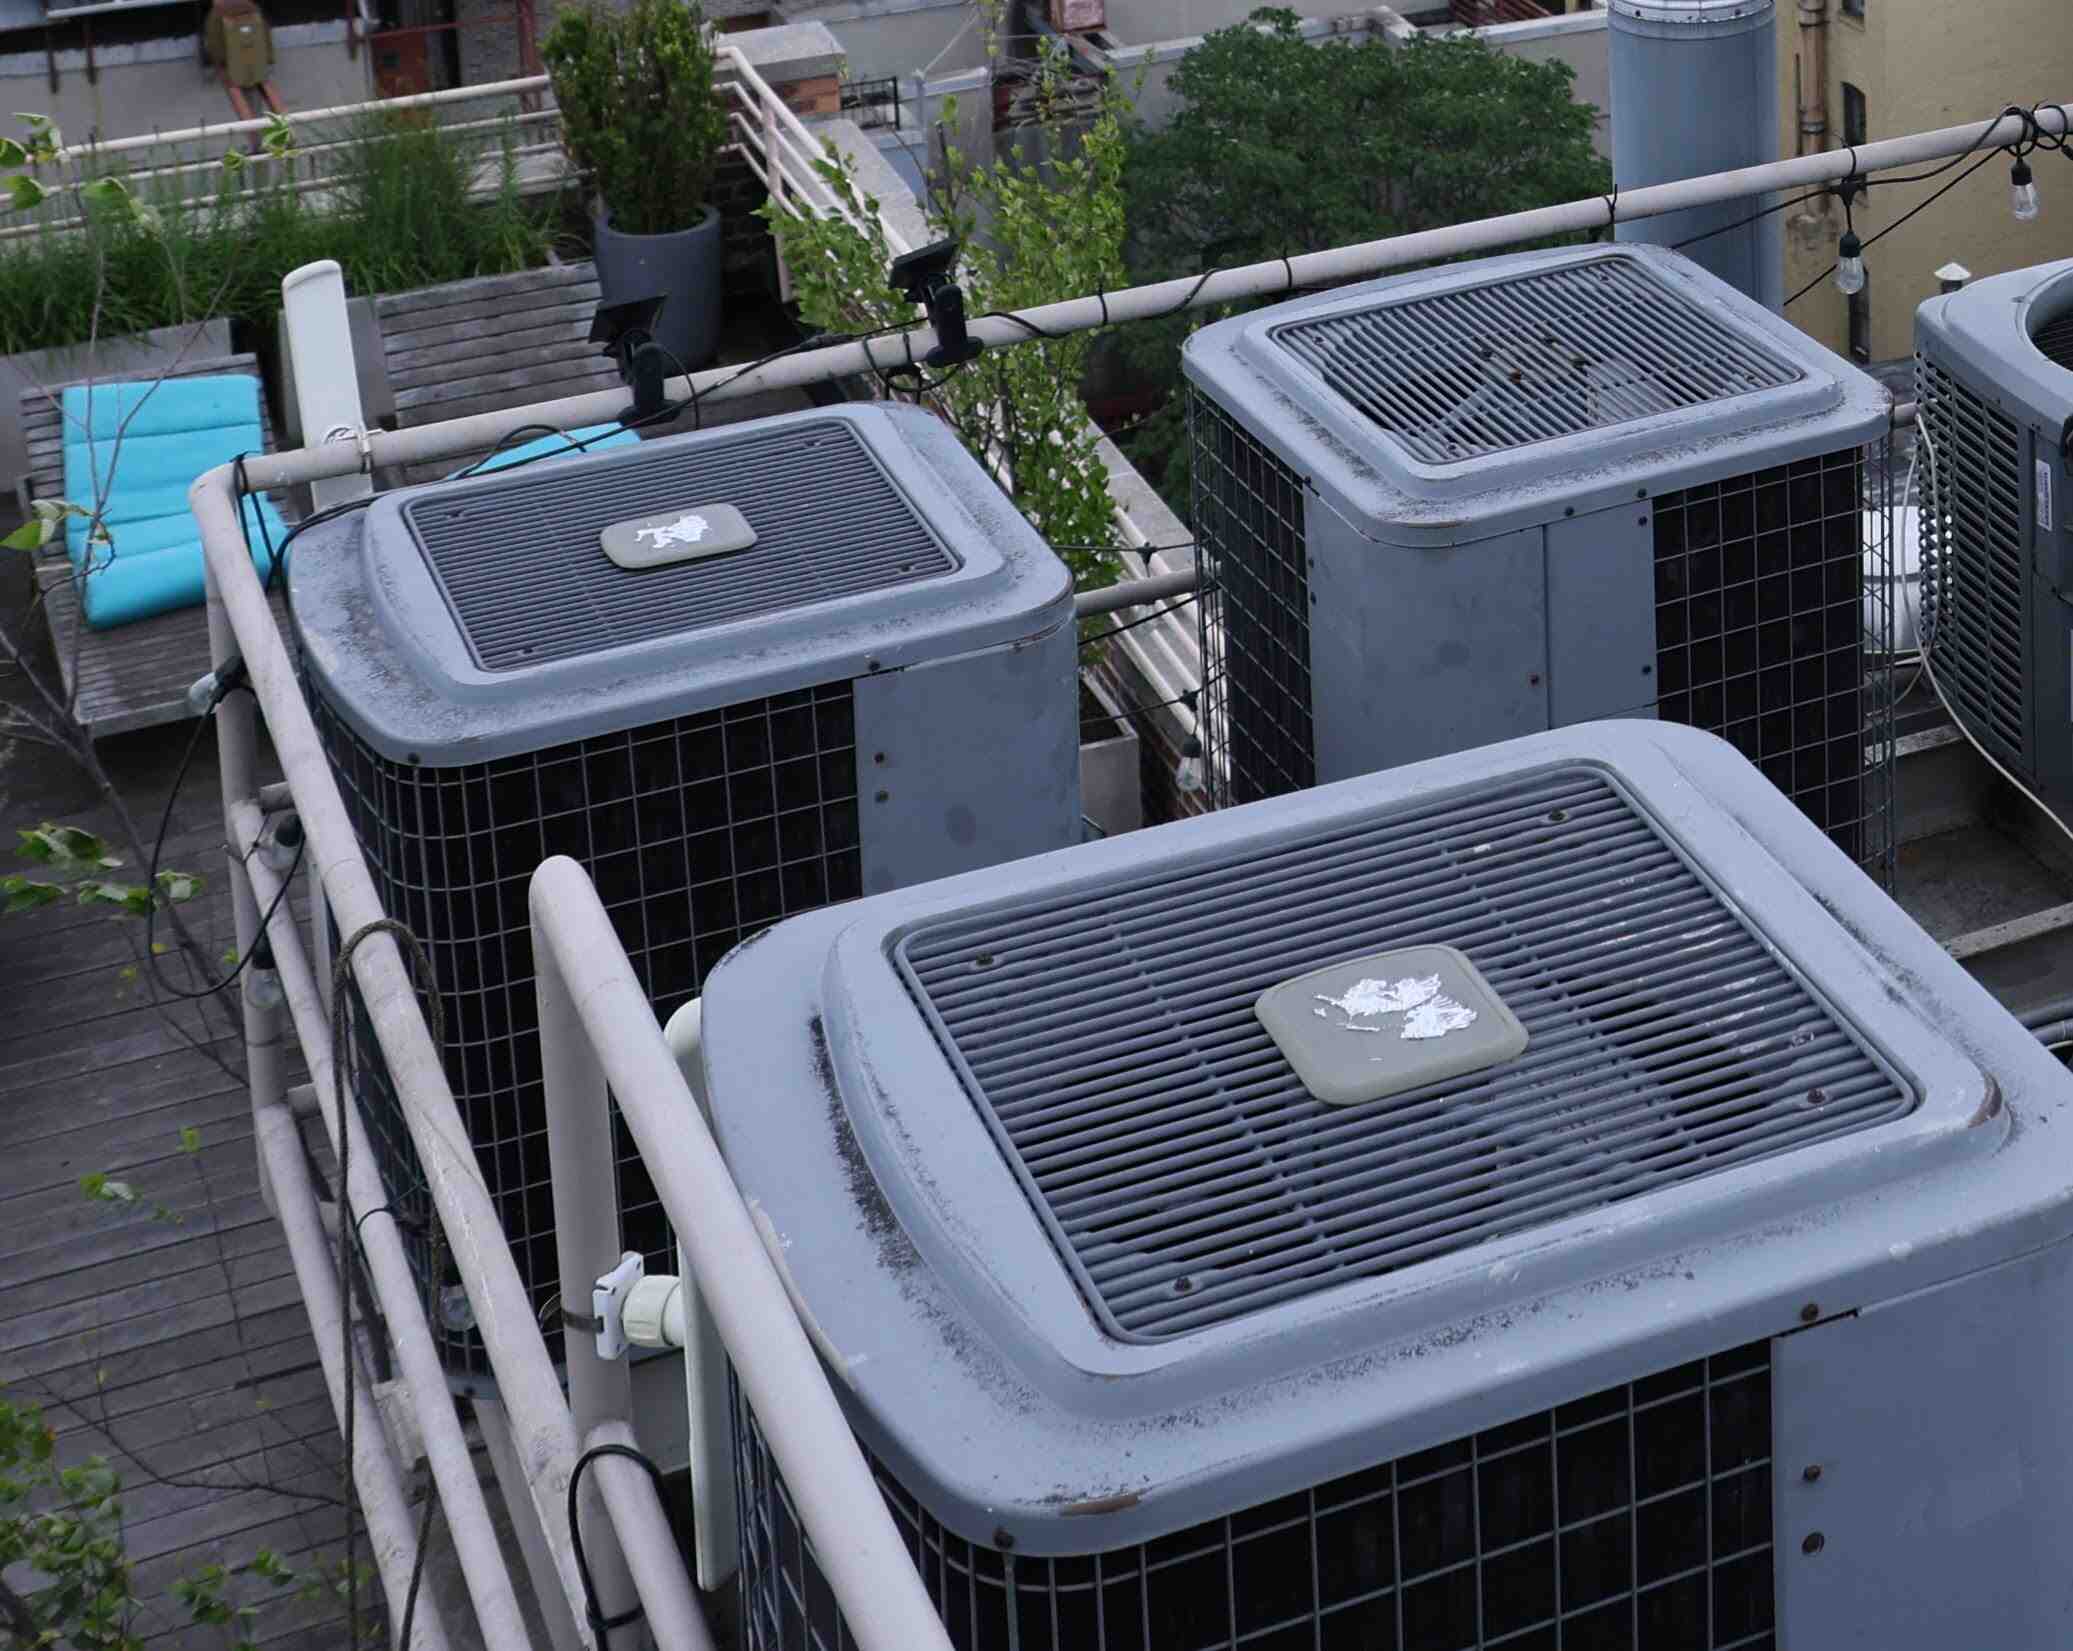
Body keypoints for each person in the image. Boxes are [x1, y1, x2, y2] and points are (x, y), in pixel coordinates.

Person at [204, 0, 283, 120]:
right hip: (258, 63)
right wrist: (269, 59)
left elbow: (215, 45)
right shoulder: (252, 8)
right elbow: (265, 34)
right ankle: (285, 128)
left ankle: (255, 132)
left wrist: (221, 63)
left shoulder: (216, 14)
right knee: (267, 91)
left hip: (234, 69)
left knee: (243, 102)